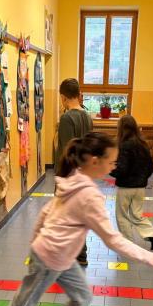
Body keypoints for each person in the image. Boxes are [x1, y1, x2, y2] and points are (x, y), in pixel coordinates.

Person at [0, 132, 153, 306]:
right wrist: (144, 255)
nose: (113, 166)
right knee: (24, 305)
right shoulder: (89, 196)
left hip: (63, 257)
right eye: (111, 161)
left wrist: (36, 239)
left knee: (82, 296)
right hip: (50, 257)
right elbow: (111, 239)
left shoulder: (74, 178)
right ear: (94, 161)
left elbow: (48, 210)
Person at [56, 78, 93, 266]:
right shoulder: (87, 116)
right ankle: (81, 254)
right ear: (79, 94)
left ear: (63, 97)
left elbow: (67, 151)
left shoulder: (66, 118)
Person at [110, 115, 153, 250]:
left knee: (121, 216)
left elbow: (122, 169)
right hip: (140, 187)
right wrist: (142, 179)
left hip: (126, 187)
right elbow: (150, 167)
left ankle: (128, 243)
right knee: (137, 214)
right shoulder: (143, 144)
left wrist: (110, 170)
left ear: (121, 128)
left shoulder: (123, 145)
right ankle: (152, 235)